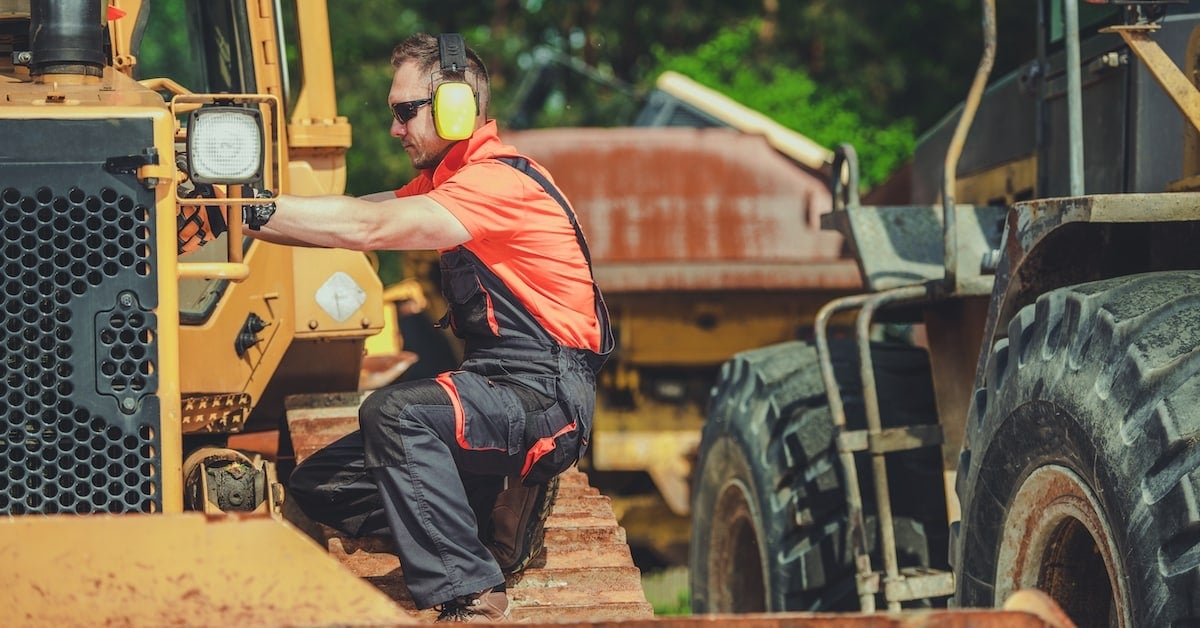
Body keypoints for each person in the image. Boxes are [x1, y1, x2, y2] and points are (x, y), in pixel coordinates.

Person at [242, 33, 612, 622]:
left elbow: (368, 227)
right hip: (497, 389)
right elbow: (350, 212)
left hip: (543, 397)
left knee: (395, 412)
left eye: (404, 111)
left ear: (456, 106)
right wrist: (229, 212)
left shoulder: (497, 182)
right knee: (320, 485)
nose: (394, 129)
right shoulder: (449, 182)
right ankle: (485, 512)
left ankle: (473, 590)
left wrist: (244, 209)